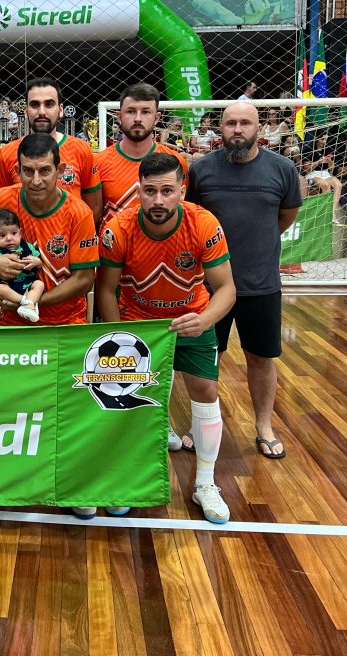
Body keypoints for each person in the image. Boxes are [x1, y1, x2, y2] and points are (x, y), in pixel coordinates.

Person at [95, 153, 236, 522]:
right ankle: (126, 477)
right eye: (150, 191)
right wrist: (120, 335)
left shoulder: (203, 223)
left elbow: (226, 288)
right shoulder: (117, 229)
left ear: (182, 191)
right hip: (138, 324)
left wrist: (205, 320)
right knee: (125, 398)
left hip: (192, 318)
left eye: (167, 191)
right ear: (138, 190)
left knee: (205, 390)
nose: (158, 200)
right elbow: (106, 290)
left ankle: (205, 482)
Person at [186, 101, 301, 459]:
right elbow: (192, 219)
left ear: (259, 129)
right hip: (209, 287)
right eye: (230, 123)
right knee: (205, 358)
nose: (237, 129)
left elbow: (286, 216)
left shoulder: (282, 169)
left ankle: (264, 426)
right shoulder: (200, 170)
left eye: (245, 123)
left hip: (261, 284)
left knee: (261, 358)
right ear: (220, 128)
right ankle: (198, 424)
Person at [0, 133, 98, 326]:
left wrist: (31, 302)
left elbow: (84, 280)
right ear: (18, 171)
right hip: (12, 320)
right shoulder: (1, 199)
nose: (36, 180)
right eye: (28, 171)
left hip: (66, 322)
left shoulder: (80, 213)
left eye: (44, 171)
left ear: (60, 171)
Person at [0, 78, 103, 225]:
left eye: (49, 104)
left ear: (61, 110)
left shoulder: (81, 149)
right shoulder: (6, 153)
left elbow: (94, 207)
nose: (42, 112)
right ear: (26, 111)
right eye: (35, 105)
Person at [97, 83, 188, 225]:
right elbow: (93, 216)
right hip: (113, 238)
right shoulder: (98, 162)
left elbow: (183, 211)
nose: (138, 118)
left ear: (157, 118)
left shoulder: (176, 162)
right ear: (119, 117)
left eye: (146, 112)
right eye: (131, 111)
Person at [0, 208, 45, 322]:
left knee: (39, 284)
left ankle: (29, 305)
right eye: (2, 235)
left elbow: (39, 265)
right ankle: (25, 302)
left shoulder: (28, 247)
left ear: (20, 233)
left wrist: (36, 262)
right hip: (6, 283)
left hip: (27, 281)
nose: (9, 238)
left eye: (14, 233)